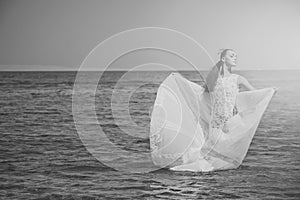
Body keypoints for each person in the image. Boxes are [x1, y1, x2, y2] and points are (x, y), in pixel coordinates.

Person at [150, 49, 277, 172]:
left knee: (225, 147)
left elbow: (254, 93)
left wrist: (269, 92)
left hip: (231, 120)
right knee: (211, 150)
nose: (235, 58)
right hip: (215, 121)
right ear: (223, 58)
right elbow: (202, 97)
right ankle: (208, 171)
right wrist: (181, 84)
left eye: (235, 56)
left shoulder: (238, 79)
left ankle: (215, 169)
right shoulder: (214, 79)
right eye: (232, 56)